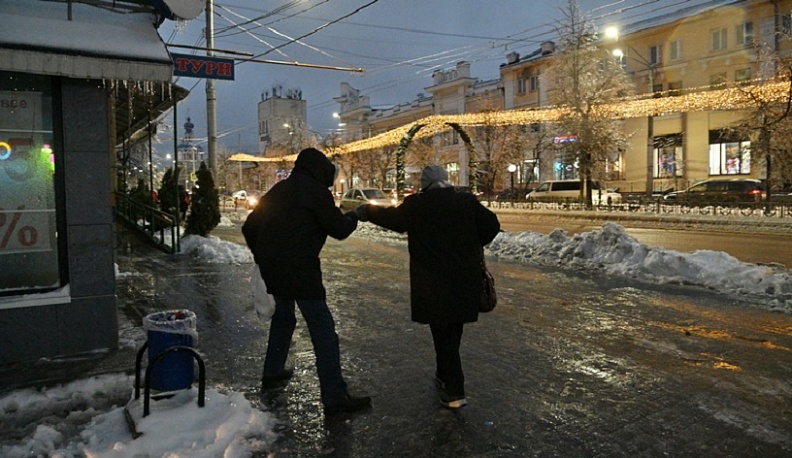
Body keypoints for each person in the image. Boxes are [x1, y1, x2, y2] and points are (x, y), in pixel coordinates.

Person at [355, 165, 500, 409]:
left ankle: (455, 391)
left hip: (433, 280)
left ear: (426, 183)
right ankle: (444, 375)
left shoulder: (417, 204)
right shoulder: (466, 201)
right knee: (453, 329)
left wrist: (367, 211)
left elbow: (393, 219)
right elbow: (491, 226)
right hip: (465, 278)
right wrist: (471, 242)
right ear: (445, 181)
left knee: (442, 332)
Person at [242, 147, 371, 415]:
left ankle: (272, 373)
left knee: (284, 318)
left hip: (274, 270)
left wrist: (263, 256)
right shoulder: (315, 192)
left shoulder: (280, 190)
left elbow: (249, 226)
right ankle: (335, 397)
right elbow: (339, 229)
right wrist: (355, 215)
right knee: (323, 330)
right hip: (301, 271)